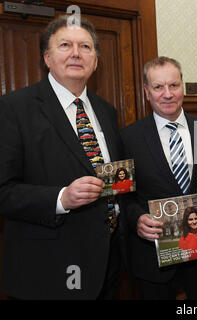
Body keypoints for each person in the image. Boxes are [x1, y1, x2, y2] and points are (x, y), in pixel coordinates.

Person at [0, 15, 122, 299]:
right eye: (65, 45)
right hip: (48, 268)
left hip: (108, 264)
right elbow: (3, 191)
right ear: (47, 57)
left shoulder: (107, 111)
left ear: (95, 61)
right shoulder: (14, 109)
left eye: (86, 47)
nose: (76, 53)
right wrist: (61, 198)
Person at [120, 56, 197, 299]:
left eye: (174, 85)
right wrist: (137, 219)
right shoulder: (127, 138)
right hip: (153, 258)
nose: (167, 94)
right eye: (158, 87)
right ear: (147, 92)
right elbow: (121, 198)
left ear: (182, 88)